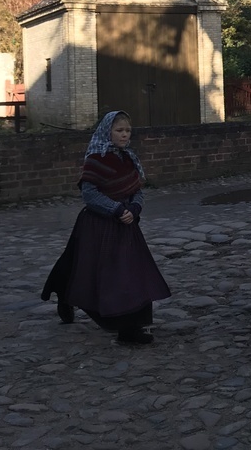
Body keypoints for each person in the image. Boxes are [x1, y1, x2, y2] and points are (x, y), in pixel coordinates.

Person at [41, 111, 170, 345]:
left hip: (126, 227)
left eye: (127, 131)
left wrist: (134, 208)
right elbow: (90, 195)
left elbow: (137, 190)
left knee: (132, 272)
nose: (124, 135)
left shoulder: (128, 158)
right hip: (98, 226)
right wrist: (116, 210)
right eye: (119, 130)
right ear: (107, 132)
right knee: (93, 272)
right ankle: (70, 297)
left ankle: (133, 326)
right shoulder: (95, 160)